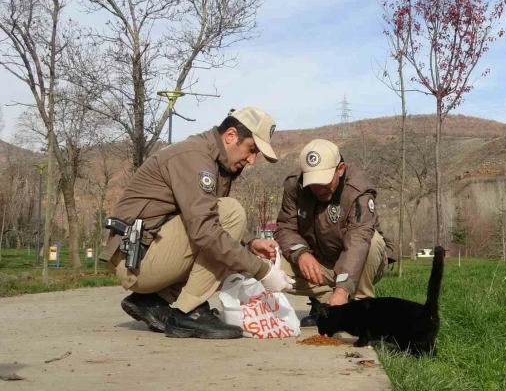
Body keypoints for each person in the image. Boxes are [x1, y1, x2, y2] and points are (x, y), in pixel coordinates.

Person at [101, 107, 294, 339]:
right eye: (251, 149)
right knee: (231, 213)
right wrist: (262, 272)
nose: (252, 160)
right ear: (231, 136)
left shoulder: (213, 161)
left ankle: (152, 301)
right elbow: (205, 229)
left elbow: (204, 215)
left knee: (226, 237)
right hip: (137, 262)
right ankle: (188, 313)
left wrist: (250, 242)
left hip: (145, 255)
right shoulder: (195, 157)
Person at [274, 139, 397, 327]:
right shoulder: (295, 186)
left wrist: (342, 289)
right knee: (266, 263)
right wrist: (301, 253)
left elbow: (358, 241)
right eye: (312, 182)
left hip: (357, 262)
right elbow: (285, 228)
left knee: (372, 242)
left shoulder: (359, 190)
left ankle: (358, 306)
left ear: (340, 169)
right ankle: (323, 304)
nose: (318, 189)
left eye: (324, 181)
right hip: (319, 262)